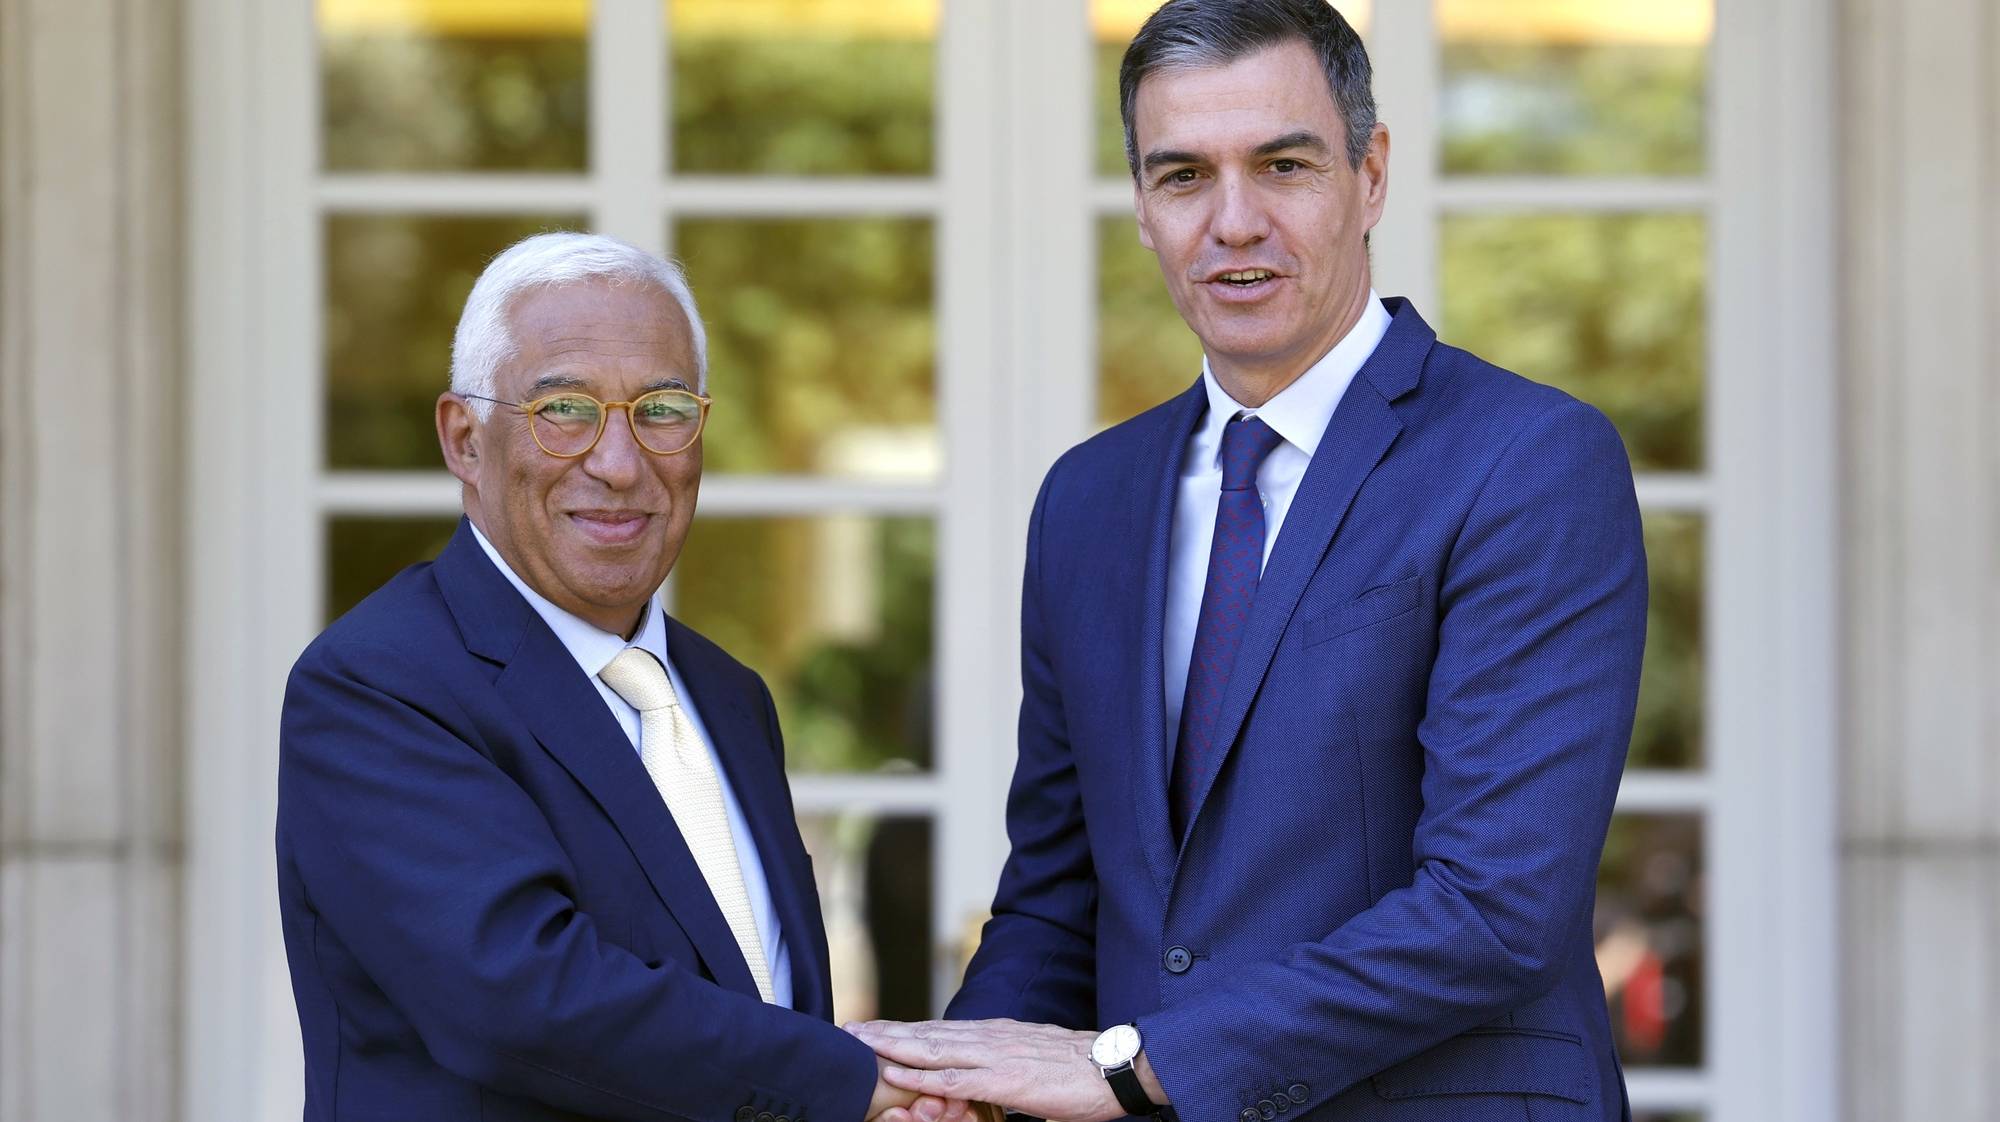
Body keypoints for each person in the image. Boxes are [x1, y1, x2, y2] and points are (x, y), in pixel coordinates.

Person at [849, 2, 1647, 1120]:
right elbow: (1057, 893)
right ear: (1140, 205)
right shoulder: (1087, 500)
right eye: (1181, 177)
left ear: (1369, 175)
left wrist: (1128, 1068)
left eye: (1281, 165)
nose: (1232, 222)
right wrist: (958, 1084)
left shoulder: (1525, 460)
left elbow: (1492, 907)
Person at [276, 232, 937, 1121]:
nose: (620, 464)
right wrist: (857, 1083)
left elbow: (756, 1000)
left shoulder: (728, 697)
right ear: (464, 439)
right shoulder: (375, 688)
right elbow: (518, 999)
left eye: (660, 409)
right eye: (565, 411)